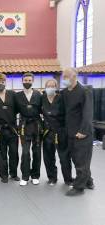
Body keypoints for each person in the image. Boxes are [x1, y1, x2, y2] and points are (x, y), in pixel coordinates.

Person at [61, 68, 94, 196]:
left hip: (82, 133)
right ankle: (89, 181)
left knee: (82, 160)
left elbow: (88, 112)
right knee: (77, 159)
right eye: (63, 76)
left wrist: (83, 131)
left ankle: (79, 187)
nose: (64, 79)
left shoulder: (85, 91)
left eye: (67, 76)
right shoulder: (65, 92)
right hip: (70, 132)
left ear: (74, 76)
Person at [0, 73, 20, 183]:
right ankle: (4, 175)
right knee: (1, 154)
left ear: (5, 83)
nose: (0, 84)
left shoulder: (12, 94)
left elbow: (17, 109)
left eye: (2, 82)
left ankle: (13, 173)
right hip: (0, 129)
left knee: (14, 153)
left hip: (12, 128)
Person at [41, 79, 73, 186]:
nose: (50, 88)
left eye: (52, 86)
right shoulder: (42, 98)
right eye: (48, 86)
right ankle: (52, 178)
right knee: (48, 157)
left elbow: (68, 114)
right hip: (47, 132)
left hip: (60, 131)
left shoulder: (61, 98)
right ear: (45, 87)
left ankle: (68, 179)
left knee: (64, 157)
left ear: (56, 87)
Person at [15, 73, 42, 186]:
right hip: (24, 126)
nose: (27, 82)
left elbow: (43, 109)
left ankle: (35, 175)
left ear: (32, 81)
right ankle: (25, 176)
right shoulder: (17, 96)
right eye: (25, 80)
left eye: (29, 80)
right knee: (25, 152)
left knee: (36, 151)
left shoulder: (38, 94)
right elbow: (13, 111)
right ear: (22, 81)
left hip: (36, 125)